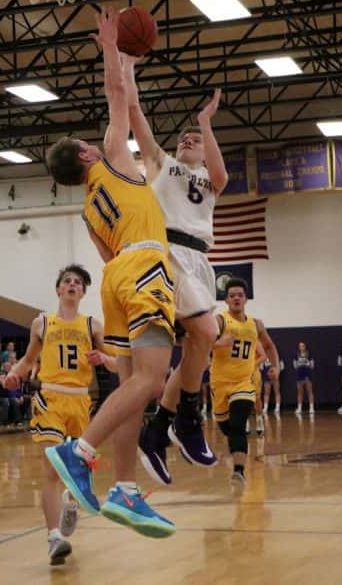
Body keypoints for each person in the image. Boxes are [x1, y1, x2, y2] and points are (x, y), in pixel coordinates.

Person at [42, 7, 178, 538]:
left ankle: (125, 488)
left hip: (117, 277)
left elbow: (105, 258)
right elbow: (116, 98)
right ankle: (78, 453)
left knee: (131, 388)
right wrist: (111, 52)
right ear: (84, 153)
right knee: (152, 380)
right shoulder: (113, 158)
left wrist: (128, 64)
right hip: (146, 266)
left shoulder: (88, 207)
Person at [127, 54, 226, 483]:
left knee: (201, 344)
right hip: (167, 253)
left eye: (195, 140)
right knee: (205, 333)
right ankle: (186, 419)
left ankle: (158, 428)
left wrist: (205, 123)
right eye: (184, 138)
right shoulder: (162, 164)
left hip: (200, 260)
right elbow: (136, 115)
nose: (188, 140)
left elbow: (221, 173)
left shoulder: (209, 179)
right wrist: (126, 71)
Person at [3, 263, 114, 565]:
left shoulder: (93, 325)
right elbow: (28, 361)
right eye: (67, 281)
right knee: (52, 469)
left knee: (80, 471)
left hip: (81, 401)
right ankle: (54, 537)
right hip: (50, 398)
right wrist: (13, 374)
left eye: (78, 282)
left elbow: (116, 362)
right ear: (58, 289)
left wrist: (104, 358)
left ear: (83, 292)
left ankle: (71, 503)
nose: (72, 284)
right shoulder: (42, 323)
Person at [209, 277, 279, 484]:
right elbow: (201, 342)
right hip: (219, 384)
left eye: (240, 295)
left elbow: (269, 346)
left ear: (246, 299)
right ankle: (237, 459)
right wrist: (219, 343)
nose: (236, 298)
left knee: (239, 424)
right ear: (226, 300)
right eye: (232, 296)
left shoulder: (256, 324)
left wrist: (275, 366)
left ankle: (239, 471)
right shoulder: (219, 321)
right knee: (228, 430)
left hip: (244, 383)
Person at [293, 343, 315, 415]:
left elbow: (312, 365)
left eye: (303, 346)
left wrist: (307, 364)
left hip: (307, 375)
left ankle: (311, 408)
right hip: (299, 375)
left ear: (305, 347)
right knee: (300, 392)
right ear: (299, 347)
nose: (301, 347)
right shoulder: (296, 355)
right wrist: (299, 364)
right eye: (300, 346)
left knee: (310, 391)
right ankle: (299, 408)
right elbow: (294, 365)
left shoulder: (309, 354)